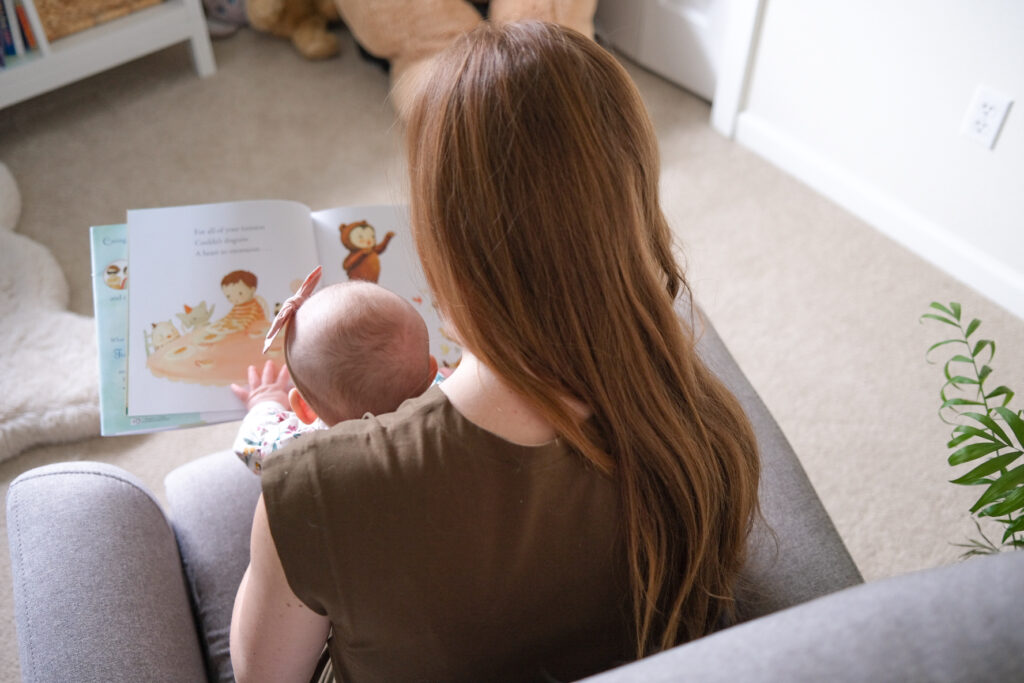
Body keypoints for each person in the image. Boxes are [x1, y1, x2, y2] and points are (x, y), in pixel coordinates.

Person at [230, 20, 761, 683]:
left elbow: (260, 677)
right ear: (631, 210)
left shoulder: (313, 488)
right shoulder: (706, 428)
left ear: (441, 241)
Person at [229, 266, 440, 474]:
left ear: (304, 408)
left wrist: (265, 402)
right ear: (431, 373)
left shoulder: (299, 445)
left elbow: (250, 446)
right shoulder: (442, 418)